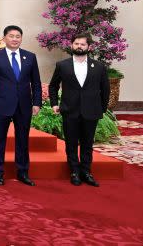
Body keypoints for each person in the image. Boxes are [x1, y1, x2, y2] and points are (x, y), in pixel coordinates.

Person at [48, 34, 110, 187]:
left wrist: (101, 108)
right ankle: (74, 172)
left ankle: (86, 172)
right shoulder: (62, 65)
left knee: (88, 143)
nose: (79, 46)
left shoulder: (99, 66)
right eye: (76, 43)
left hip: (91, 111)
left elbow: (105, 89)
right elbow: (53, 86)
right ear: (71, 45)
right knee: (71, 143)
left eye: (82, 44)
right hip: (70, 110)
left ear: (89, 47)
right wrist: (54, 104)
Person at [0, 25, 42, 186]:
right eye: (11, 36)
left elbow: (36, 82)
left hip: (24, 105)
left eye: (18, 36)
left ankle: (23, 172)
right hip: (1, 104)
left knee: (23, 140)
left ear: (21, 39)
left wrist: (37, 102)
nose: (15, 39)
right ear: (4, 38)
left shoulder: (30, 57)